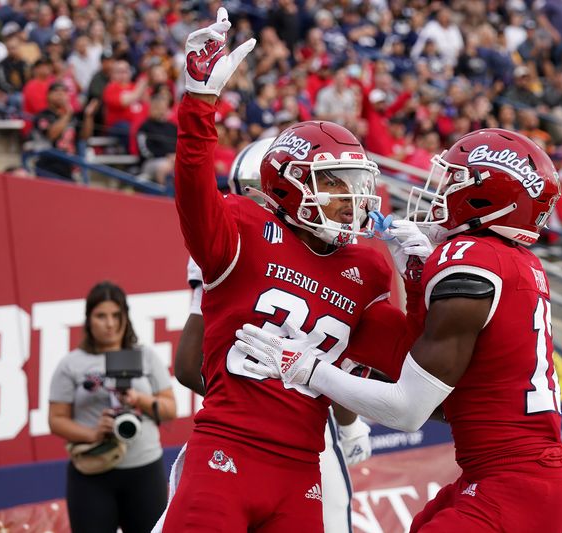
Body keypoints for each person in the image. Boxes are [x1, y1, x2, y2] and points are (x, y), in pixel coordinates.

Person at [238, 128, 562, 532]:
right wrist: (417, 282)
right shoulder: (516, 261)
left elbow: (408, 409)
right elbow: (436, 366)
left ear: (487, 196)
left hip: (512, 482)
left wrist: (310, 370)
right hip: (510, 474)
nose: (442, 190)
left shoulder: (468, 260)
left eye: (455, 180)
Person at [162, 11, 419, 531]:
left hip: (304, 469)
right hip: (227, 450)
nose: (352, 200)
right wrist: (199, 103)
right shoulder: (242, 227)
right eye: (336, 184)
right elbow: (192, 191)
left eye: (354, 183)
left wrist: (419, 274)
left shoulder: (367, 265)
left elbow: (408, 356)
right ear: (291, 185)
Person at [152, 139, 373, 533]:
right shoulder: (239, 236)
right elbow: (189, 363)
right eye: (329, 183)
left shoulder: (352, 262)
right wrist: (260, 403)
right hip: (267, 434)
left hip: (294, 436)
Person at [48, 281, 176, 533]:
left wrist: (140, 400)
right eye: (101, 316)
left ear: (126, 317)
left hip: (144, 471)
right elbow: (56, 419)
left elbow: (170, 408)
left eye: (117, 315)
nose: (110, 323)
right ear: (88, 320)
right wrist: (93, 433)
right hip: (92, 474)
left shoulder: (146, 356)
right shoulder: (71, 364)